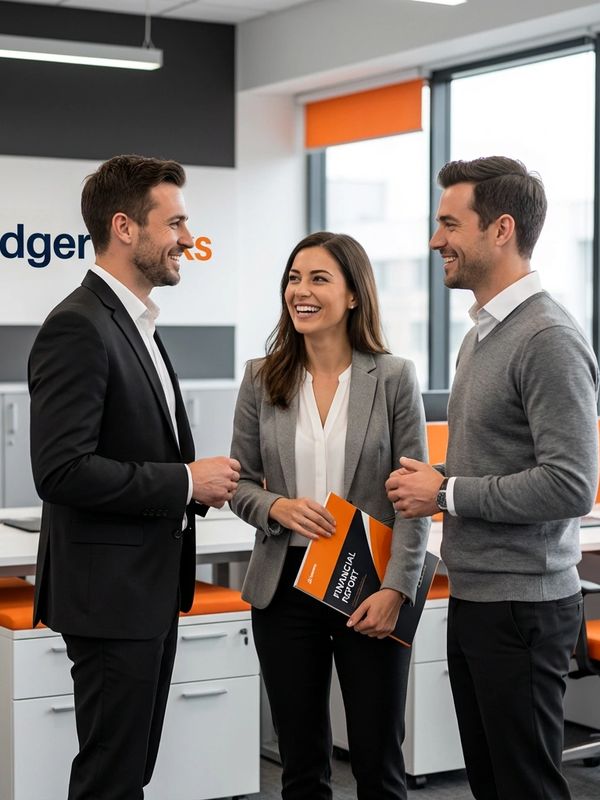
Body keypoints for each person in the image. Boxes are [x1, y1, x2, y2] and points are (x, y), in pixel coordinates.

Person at [386, 156, 599, 800]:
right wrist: (442, 475)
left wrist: (445, 493)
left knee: (525, 785)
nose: (434, 241)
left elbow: (569, 485)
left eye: (450, 224)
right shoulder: (482, 335)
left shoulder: (547, 337)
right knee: (490, 781)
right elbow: (504, 460)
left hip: (525, 607)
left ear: (501, 229)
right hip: (479, 596)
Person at [28, 154, 240, 800]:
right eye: (174, 223)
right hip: (109, 598)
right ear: (125, 227)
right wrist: (184, 483)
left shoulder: (135, 322)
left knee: (129, 772)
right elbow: (61, 470)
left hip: (142, 592)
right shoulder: (79, 325)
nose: (185, 238)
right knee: (110, 778)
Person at [229, 231, 429, 800]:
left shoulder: (392, 377)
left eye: (319, 279)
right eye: (294, 278)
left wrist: (397, 590)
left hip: (366, 585)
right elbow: (240, 485)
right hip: (285, 587)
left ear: (353, 295)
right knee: (302, 766)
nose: (301, 291)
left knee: (377, 761)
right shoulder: (262, 377)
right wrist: (277, 506)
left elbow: (413, 497)